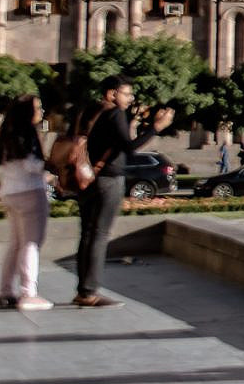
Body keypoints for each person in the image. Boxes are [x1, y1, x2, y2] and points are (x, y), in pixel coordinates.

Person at [69, 82, 174, 308]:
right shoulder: (114, 113)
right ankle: (89, 292)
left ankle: (82, 289)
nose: (130, 98)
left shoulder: (87, 110)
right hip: (108, 179)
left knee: (87, 234)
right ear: (111, 93)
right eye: (127, 93)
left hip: (85, 178)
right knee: (99, 234)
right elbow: (129, 147)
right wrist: (156, 127)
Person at [0, 96, 53, 311]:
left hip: (9, 192)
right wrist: (51, 166)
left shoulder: (6, 133)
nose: (41, 111)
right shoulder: (27, 133)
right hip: (30, 192)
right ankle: (29, 293)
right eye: (38, 107)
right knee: (31, 243)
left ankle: (6, 292)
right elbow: (32, 165)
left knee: (16, 243)